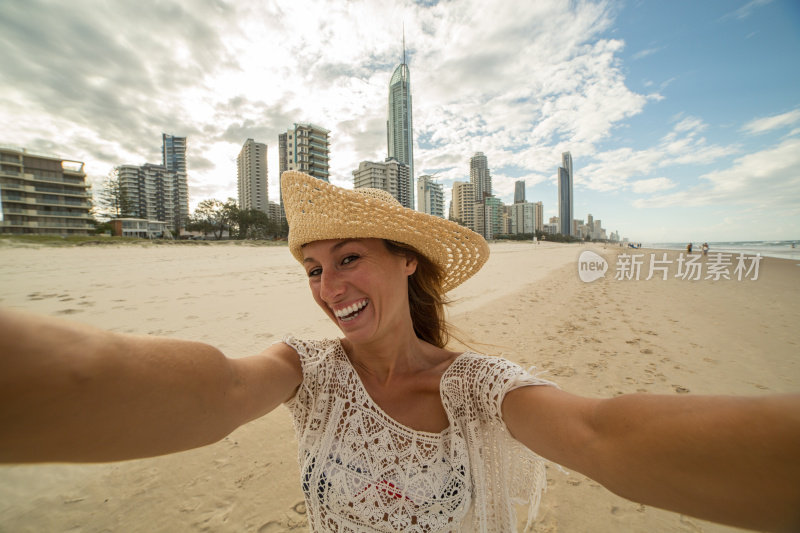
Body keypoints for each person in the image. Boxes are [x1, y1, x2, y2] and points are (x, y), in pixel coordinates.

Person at [1, 171, 799, 532]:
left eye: (349, 258)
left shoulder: (480, 387)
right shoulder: (304, 371)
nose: (327, 286)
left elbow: (602, 434)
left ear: (406, 259)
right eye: (315, 268)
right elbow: (212, 393)